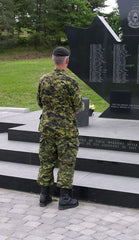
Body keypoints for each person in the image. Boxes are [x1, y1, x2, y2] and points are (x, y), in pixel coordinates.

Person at [37, 46, 84, 210]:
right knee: (66, 163)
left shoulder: (43, 80)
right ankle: (64, 198)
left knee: (46, 162)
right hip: (66, 131)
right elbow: (79, 107)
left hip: (47, 128)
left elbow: (40, 103)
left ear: (52, 59)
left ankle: (44, 196)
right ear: (67, 61)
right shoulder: (71, 82)